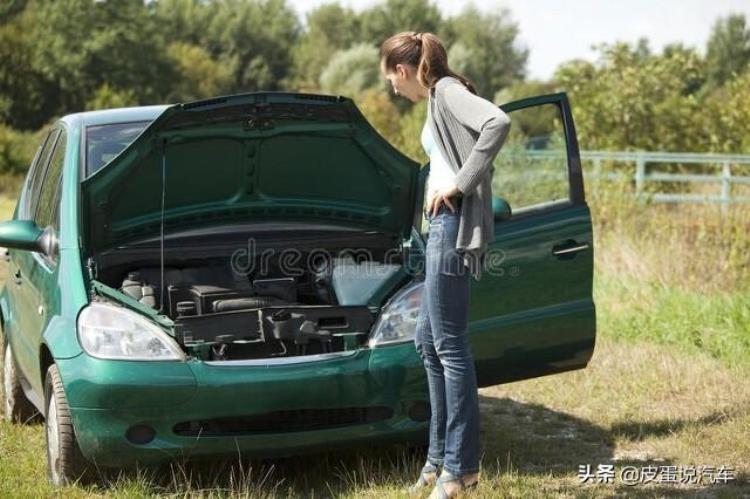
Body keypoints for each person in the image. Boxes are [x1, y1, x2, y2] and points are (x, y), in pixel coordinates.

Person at [379, 31, 511, 498]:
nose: (394, 90)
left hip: (451, 225)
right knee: (427, 342)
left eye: (392, 79)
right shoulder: (438, 99)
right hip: (440, 228)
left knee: (450, 346)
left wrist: (459, 183)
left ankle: (461, 469)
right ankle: (439, 460)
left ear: (403, 70)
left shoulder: (448, 92)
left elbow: (497, 123)